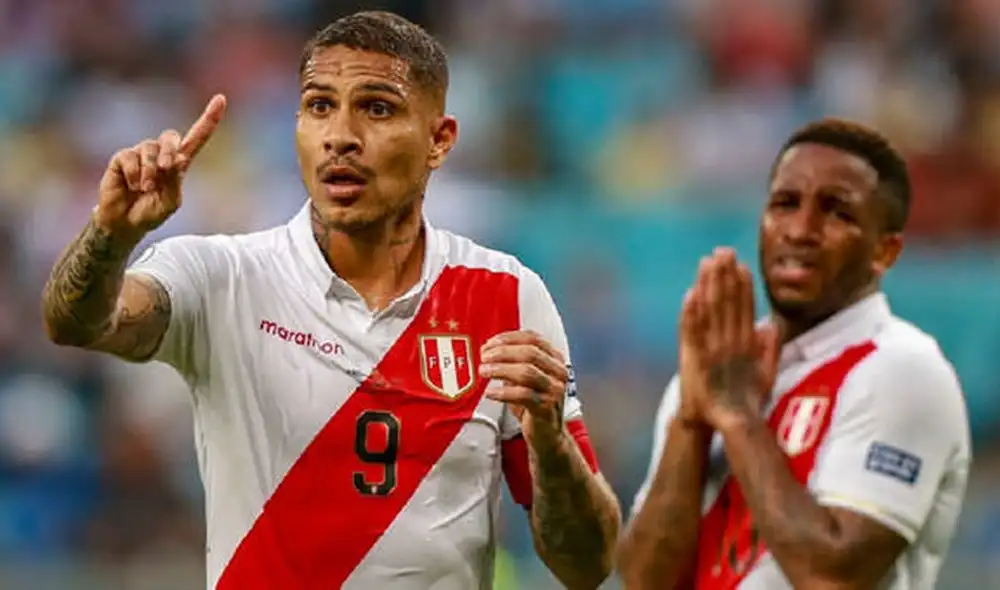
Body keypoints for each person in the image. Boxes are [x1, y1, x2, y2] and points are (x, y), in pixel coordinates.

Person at [40, 11, 620, 590]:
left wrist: (549, 441)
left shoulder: (507, 296)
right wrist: (111, 234)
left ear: (439, 140)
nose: (340, 135)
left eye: (376, 108)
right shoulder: (222, 276)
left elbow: (587, 566)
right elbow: (76, 322)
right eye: (320, 105)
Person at [617, 119, 971, 589]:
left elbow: (832, 576)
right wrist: (692, 423)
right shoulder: (719, 369)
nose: (801, 230)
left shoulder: (903, 369)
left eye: (837, 212)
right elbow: (643, 581)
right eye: (785, 204)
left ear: (885, 252)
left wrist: (739, 418)